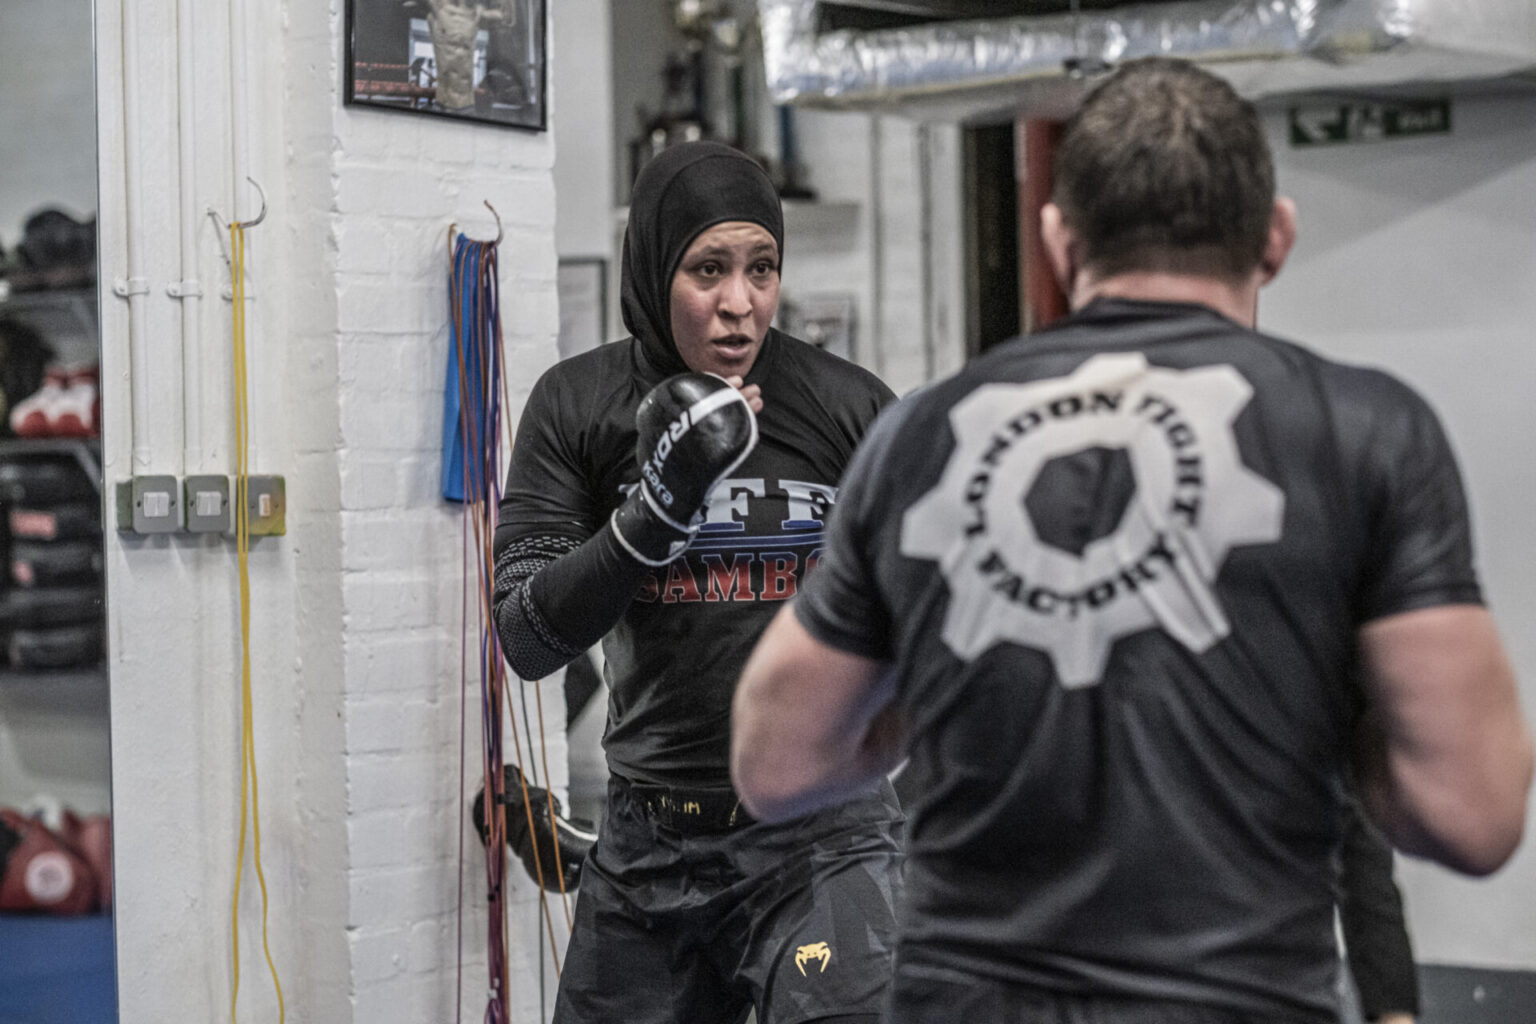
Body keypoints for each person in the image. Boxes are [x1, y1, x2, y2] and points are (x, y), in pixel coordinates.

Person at [732, 56, 1532, 1024]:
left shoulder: (925, 431)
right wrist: (1317, 706)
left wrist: (956, 687)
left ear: (1061, 239)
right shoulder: (1366, 428)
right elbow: (1473, 814)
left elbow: (779, 765)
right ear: (1274, 240)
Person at [492, 140, 902, 1024]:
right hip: (650, 845)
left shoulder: (850, 407)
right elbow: (526, 637)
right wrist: (656, 514)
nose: (739, 304)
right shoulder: (578, 406)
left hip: (822, 835)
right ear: (654, 267)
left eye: (762, 269)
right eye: (707, 269)